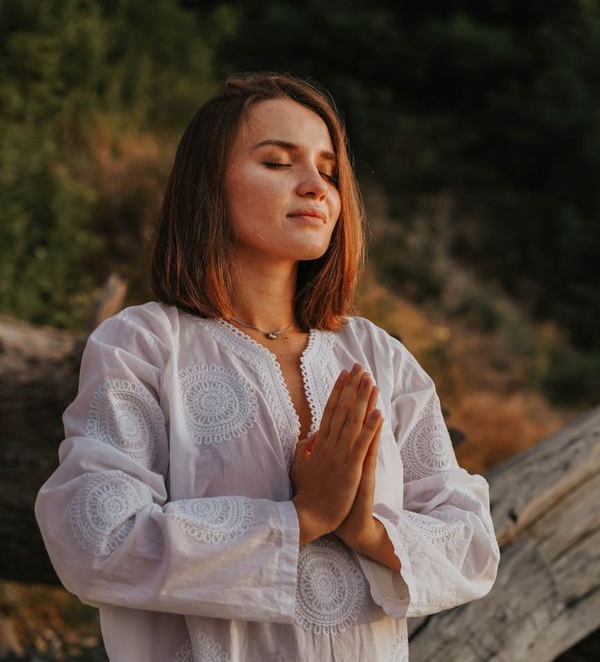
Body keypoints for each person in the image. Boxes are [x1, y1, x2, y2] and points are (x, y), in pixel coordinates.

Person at [35, 72, 500, 661]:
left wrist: (365, 529)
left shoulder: (378, 357)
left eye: (329, 171)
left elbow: (472, 542)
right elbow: (95, 538)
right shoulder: (144, 346)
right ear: (208, 186)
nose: (315, 187)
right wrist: (302, 518)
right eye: (278, 163)